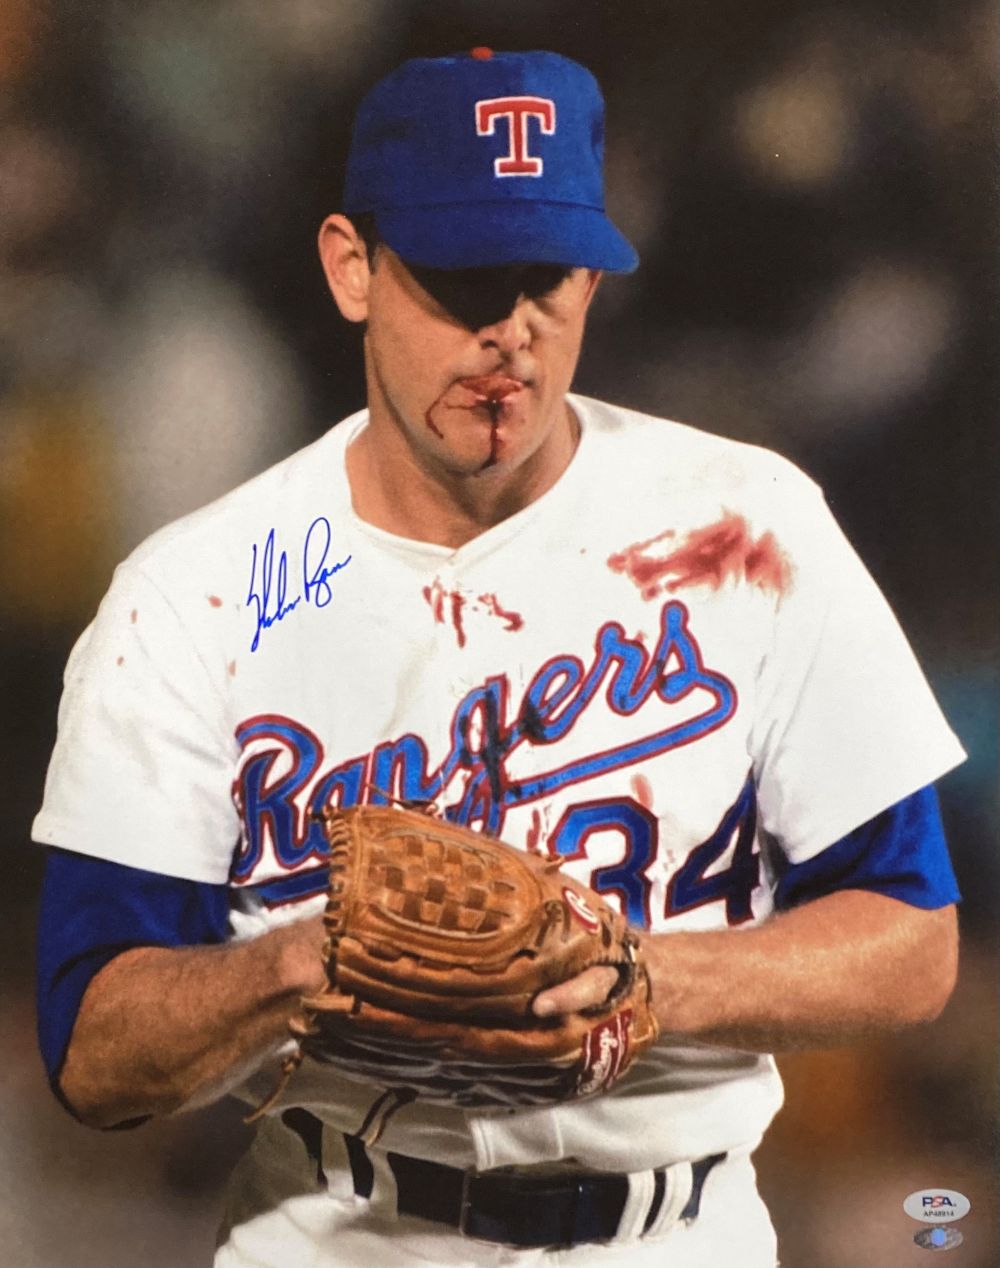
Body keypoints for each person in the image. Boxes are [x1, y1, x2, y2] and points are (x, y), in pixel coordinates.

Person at [33, 49, 964, 1268]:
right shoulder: (192, 594)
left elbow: (911, 938)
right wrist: (294, 969)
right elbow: (95, 1049)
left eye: (546, 281)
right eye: (465, 278)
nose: (509, 332)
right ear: (351, 267)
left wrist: (650, 979)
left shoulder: (750, 528)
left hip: (673, 1233)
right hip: (336, 1229)